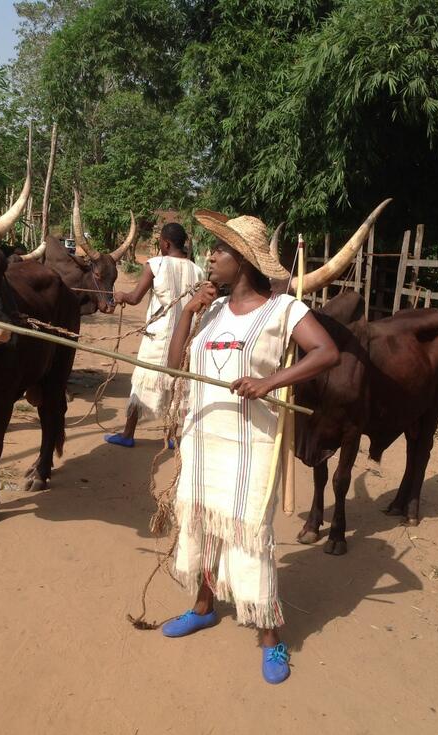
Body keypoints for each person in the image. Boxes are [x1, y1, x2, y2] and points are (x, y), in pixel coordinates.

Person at [162, 211, 340, 684]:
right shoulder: (213, 310)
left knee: (247, 535)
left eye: (219, 251)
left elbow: (327, 352)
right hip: (202, 438)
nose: (210, 257)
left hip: (249, 444)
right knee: (199, 521)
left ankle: (270, 635)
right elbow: (175, 364)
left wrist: (271, 382)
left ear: (242, 261)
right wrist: (187, 311)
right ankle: (202, 606)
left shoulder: (284, 311)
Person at [105, 222, 204, 447]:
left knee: (142, 383)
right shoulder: (197, 269)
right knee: (178, 383)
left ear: (166, 243)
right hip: (185, 337)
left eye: (160, 241)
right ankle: (170, 437)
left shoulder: (155, 264)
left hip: (157, 338)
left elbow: (135, 298)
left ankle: (128, 434)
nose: (159, 245)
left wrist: (121, 295)